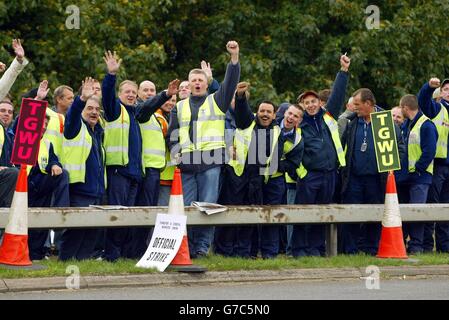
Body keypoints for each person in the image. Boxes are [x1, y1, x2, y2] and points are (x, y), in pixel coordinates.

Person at [167, 41, 240, 258]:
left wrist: (234, 58)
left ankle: (201, 248)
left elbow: (230, 83)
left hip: (211, 162)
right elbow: (173, 135)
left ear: (207, 83)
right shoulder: (179, 107)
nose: (197, 83)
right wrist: (176, 155)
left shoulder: (217, 101)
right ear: (188, 85)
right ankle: (186, 248)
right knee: (187, 209)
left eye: (200, 80)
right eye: (193, 80)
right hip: (188, 164)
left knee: (208, 208)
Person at [218, 82, 303, 258]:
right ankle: (234, 252)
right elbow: (241, 111)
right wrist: (240, 96)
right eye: (262, 111)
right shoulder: (247, 122)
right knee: (238, 216)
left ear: (274, 116)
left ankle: (258, 253)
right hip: (238, 177)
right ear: (258, 112)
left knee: (260, 219)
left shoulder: (277, 132)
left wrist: (276, 166)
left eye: (268, 112)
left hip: (263, 181)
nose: (265, 114)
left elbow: (287, 159)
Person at [290, 53, 350, 257]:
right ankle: (298, 250)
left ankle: (316, 250)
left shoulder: (328, 116)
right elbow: (293, 153)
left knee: (321, 215)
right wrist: (303, 174)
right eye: (306, 103)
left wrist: (343, 71)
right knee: (303, 215)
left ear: (319, 102)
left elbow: (338, 95)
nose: (311, 105)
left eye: (313, 101)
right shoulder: (300, 123)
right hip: (310, 176)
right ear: (303, 106)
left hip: (330, 174)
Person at [339, 88, 405, 255]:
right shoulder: (351, 122)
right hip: (354, 178)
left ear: (368, 104)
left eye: (358, 104)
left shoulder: (385, 121)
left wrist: (393, 168)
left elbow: (401, 148)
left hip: (377, 179)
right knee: (352, 213)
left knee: (376, 214)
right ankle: (350, 250)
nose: (355, 108)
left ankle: (371, 248)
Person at [59, 78, 107, 261]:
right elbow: (72, 115)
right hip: (79, 189)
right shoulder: (76, 126)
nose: (94, 112)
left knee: (91, 231)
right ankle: (65, 261)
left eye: (96, 109)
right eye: (89, 108)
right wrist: (81, 100)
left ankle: (83, 263)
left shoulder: (98, 132)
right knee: (76, 230)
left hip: (96, 191)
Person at [398, 94, 437, 254]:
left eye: (401, 108)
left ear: (405, 108)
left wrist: (418, 169)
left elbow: (430, 151)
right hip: (407, 177)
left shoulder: (426, 125)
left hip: (420, 177)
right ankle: (406, 244)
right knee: (406, 212)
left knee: (417, 213)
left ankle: (416, 246)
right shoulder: (407, 124)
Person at [418, 77, 449, 253]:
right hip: (438, 166)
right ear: (441, 93)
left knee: (446, 210)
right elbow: (423, 101)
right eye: (446, 89)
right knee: (433, 208)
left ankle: (445, 248)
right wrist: (428, 87)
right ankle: (428, 246)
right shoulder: (438, 108)